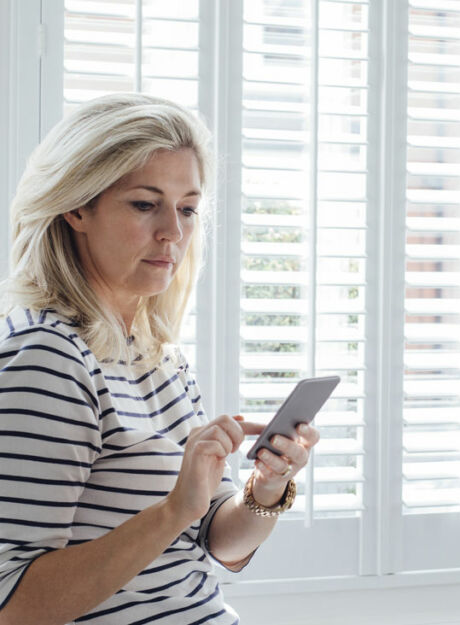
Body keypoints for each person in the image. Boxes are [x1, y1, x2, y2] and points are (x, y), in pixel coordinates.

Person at [0, 93, 320, 624]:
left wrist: (266, 488)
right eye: (145, 204)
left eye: (188, 208)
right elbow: (14, 605)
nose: (174, 231)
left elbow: (218, 543)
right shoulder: (48, 359)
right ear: (77, 207)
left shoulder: (155, 354)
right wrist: (174, 509)